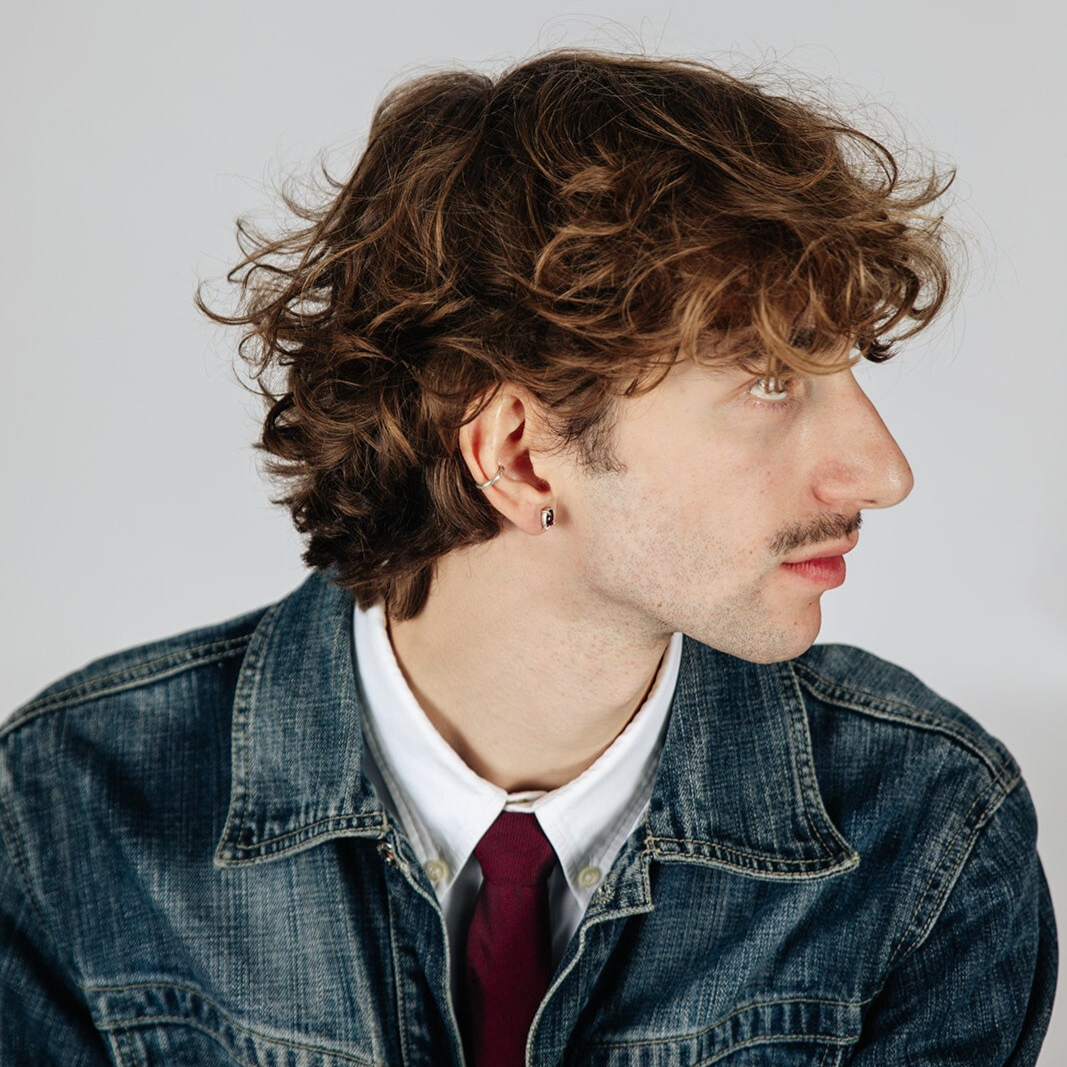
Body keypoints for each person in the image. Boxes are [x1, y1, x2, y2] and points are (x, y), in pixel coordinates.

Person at [0, 49, 1056, 1066]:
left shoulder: (925, 828)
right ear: (517, 454)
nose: (882, 472)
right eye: (768, 381)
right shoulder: (64, 816)